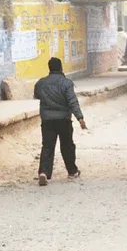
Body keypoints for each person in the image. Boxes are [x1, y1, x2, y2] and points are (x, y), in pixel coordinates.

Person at [34, 58, 88, 186]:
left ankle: (43, 172)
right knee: (67, 146)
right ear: (61, 68)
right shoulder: (66, 83)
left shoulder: (41, 83)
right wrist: (80, 118)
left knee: (47, 146)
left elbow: (37, 95)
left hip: (47, 120)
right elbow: (72, 101)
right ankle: (72, 171)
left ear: (49, 68)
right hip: (64, 120)